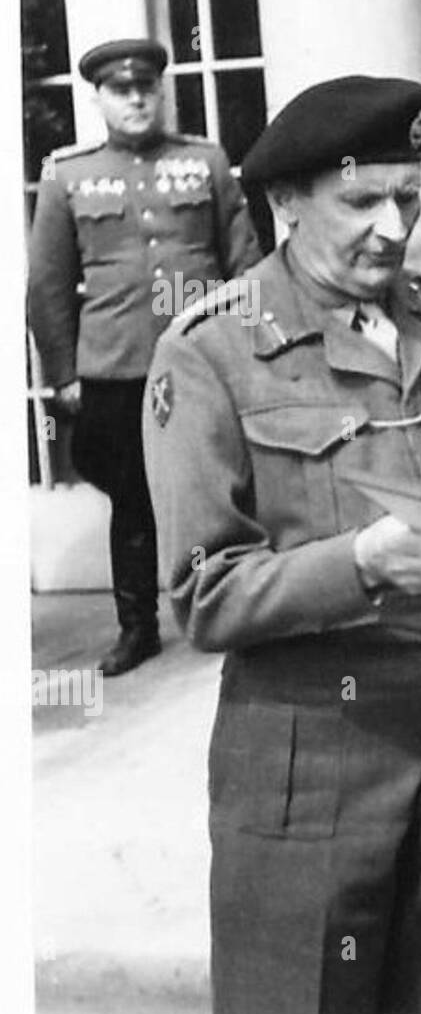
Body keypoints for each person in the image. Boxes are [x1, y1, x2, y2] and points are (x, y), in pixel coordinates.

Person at [142, 75, 421, 1014]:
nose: (393, 227)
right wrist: (363, 564)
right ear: (286, 202)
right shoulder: (210, 351)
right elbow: (202, 594)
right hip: (310, 764)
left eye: (408, 195)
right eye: (361, 200)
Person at [27, 37, 260, 675]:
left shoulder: (204, 162)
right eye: (120, 90)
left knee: (223, 487)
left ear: (161, 92)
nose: (135, 100)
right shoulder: (68, 174)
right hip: (117, 365)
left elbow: (244, 263)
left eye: (145, 88)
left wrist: (250, 348)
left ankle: (236, 613)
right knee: (131, 497)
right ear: (99, 99)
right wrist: (64, 372)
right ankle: (137, 628)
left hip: (203, 358)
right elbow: (48, 284)